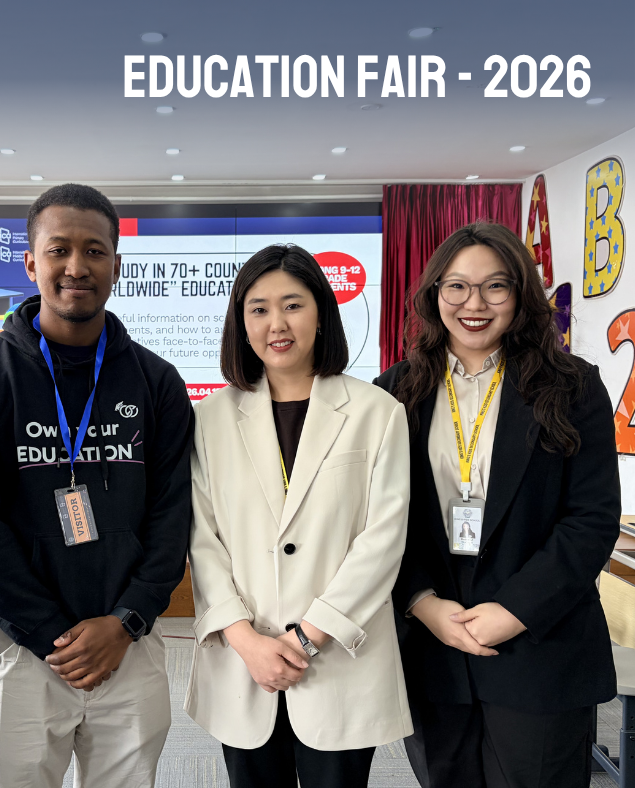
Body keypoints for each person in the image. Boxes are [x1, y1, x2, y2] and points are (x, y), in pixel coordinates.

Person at [0, 183, 193, 788]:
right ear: (31, 263)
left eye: (94, 251)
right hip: (22, 642)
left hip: (129, 641)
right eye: (59, 250)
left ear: (116, 264)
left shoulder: (157, 381)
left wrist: (126, 621)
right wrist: (50, 632)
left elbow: (172, 515)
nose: (76, 266)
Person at [374, 222, 621, 788]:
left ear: (520, 293)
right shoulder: (393, 391)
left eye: (495, 286)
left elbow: (591, 519)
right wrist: (420, 602)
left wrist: (513, 611)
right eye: (457, 286)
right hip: (433, 644)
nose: (474, 304)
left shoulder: (572, 386)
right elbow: (377, 519)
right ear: (434, 294)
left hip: (539, 643)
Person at [184, 244, 412, 788]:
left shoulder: (377, 412)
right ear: (241, 323)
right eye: (259, 309)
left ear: (321, 313)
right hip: (245, 663)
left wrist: (306, 638)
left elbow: (383, 540)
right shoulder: (210, 418)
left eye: (293, 305)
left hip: (339, 660)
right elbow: (202, 539)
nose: (277, 324)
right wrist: (246, 640)